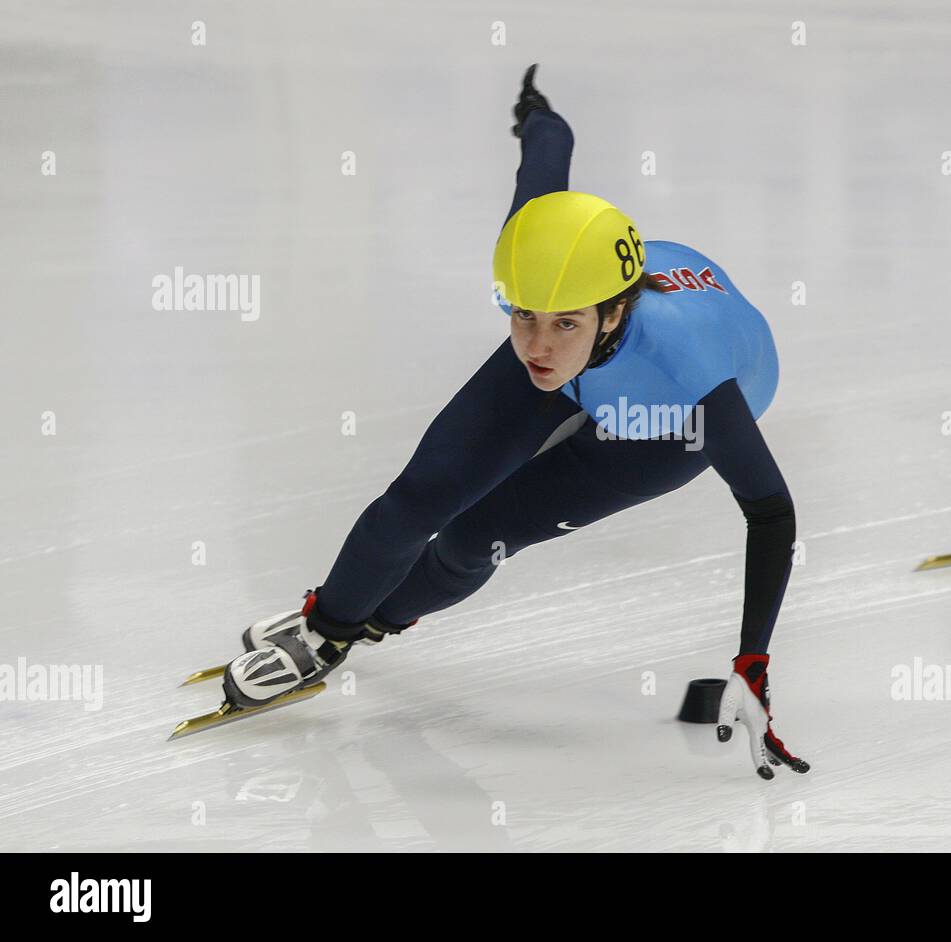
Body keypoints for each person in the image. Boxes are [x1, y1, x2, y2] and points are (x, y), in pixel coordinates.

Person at [221, 66, 809, 779]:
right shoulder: (541, 272)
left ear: (614, 311)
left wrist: (753, 662)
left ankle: (380, 620)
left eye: (561, 323)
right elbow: (547, 160)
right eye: (522, 315)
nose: (536, 344)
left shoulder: (691, 382)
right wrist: (537, 112)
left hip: (657, 419)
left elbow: (771, 512)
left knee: (473, 538)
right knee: (419, 498)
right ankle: (329, 628)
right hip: (604, 362)